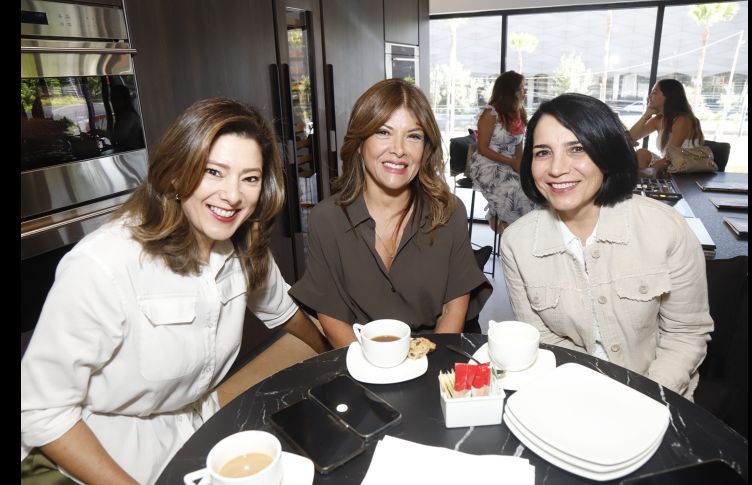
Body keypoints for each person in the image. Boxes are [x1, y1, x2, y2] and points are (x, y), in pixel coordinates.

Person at [20, 97, 330, 484]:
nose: (233, 195)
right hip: (102, 456)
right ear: (175, 174)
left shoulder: (245, 246)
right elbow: (40, 411)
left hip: (197, 433)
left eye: (249, 178)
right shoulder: (103, 264)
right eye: (214, 172)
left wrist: (336, 360)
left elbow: (284, 311)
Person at [501, 93, 713, 399]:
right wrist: (595, 396)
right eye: (543, 152)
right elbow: (543, 339)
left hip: (660, 394)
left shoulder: (665, 229)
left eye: (577, 149)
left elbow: (685, 334)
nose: (557, 168)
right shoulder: (517, 243)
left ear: (607, 152)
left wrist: (644, 399)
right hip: (572, 392)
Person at [289, 79, 492, 348]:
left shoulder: (449, 212)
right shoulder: (326, 220)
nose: (399, 150)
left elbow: (454, 308)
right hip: (359, 357)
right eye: (383, 132)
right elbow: (332, 315)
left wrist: (430, 368)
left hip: (432, 356)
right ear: (360, 142)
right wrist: (367, 369)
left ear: (425, 149)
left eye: (413, 136)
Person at [468, 70, 538, 233]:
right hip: (488, 166)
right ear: (509, 91)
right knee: (516, 192)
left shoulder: (519, 114)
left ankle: (520, 232)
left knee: (532, 189)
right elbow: (482, 148)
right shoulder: (490, 113)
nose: (524, 92)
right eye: (521, 88)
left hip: (509, 165)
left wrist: (521, 169)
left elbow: (518, 148)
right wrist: (512, 162)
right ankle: (510, 230)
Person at [628, 79, 705, 175]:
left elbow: (671, 156)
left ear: (669, 97)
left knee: (641, 162)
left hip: (684, 167)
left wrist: (645, 173)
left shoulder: (683, 120)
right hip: (669, 163)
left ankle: (636, 185)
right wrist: (646, 115)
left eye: (654, 93)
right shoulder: (658, 120)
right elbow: (631, 137)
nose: (649, 97)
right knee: (641, 154)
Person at [109, 84, 145, 151]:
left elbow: (119, 136)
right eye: (112, 98)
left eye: (117, 98)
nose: (113, 101)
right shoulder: (124, 115)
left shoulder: (129, 116)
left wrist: (103, 133)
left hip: (132, 152)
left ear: (124, 98)